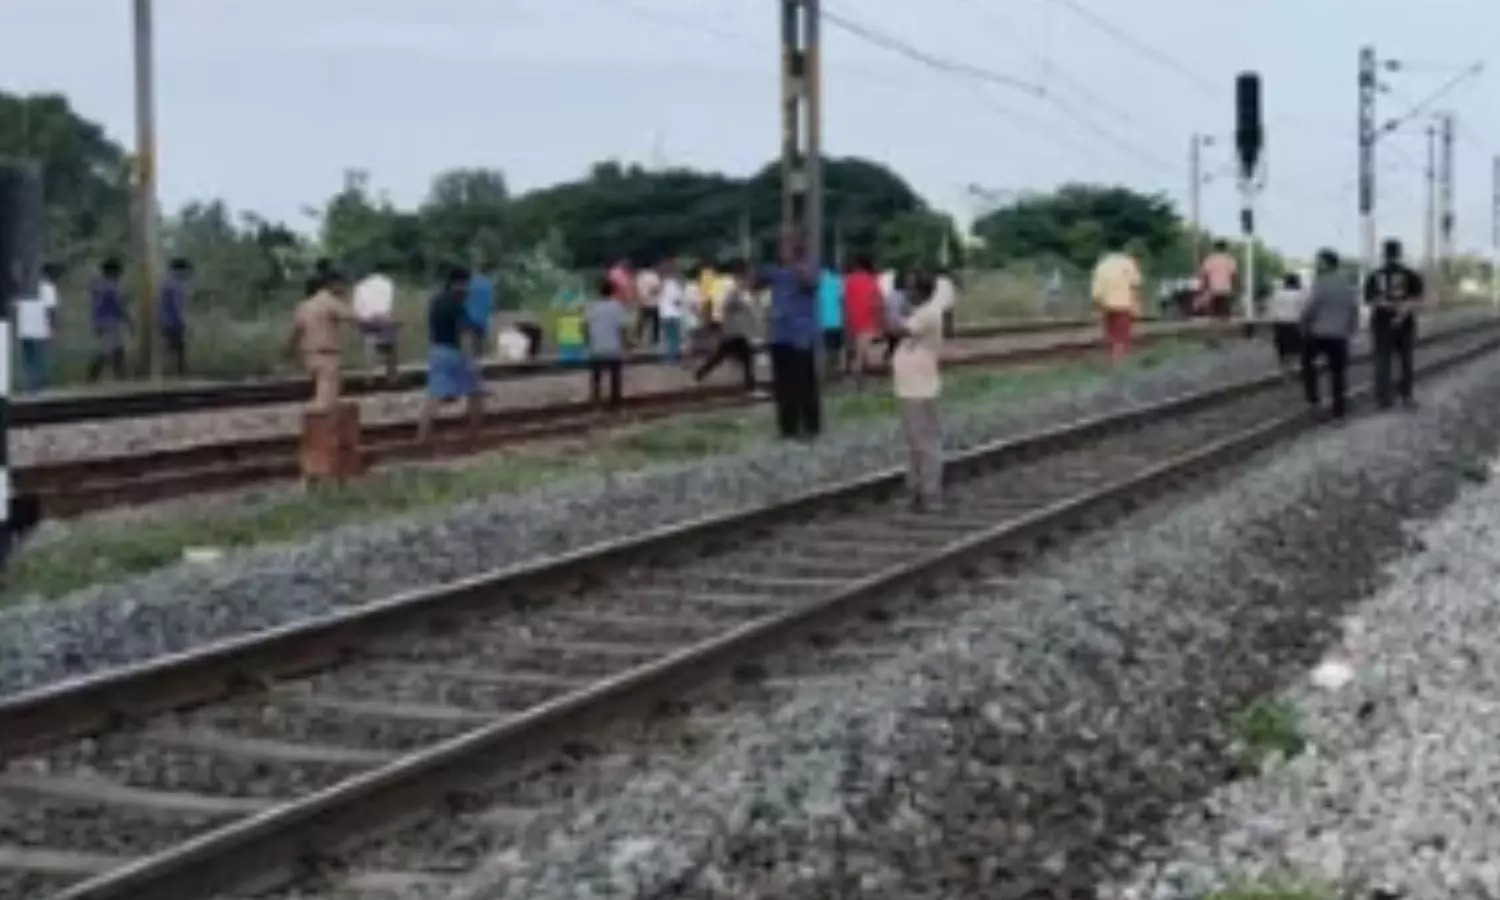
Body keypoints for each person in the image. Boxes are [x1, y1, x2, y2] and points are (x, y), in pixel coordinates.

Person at [891, 270, 951, 512]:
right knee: (916, 442)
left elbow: (899, 330)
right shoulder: (921, 313)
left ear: (920, 291)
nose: (906, 292)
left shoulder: (927, 314)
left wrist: (880, 310)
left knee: (924, 442)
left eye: (910, 288)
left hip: (919, 389)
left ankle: (930, 493)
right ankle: (918, 490)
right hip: (911, 388)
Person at [419, 265, 485, 443]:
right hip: (453, 353)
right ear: (458, 284)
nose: (468, 289)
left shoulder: (436, 301)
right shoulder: (457, 306)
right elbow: (465, 335)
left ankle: (422, 437)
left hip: (436, 351)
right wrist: (471, 362)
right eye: (466, 285)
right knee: (476, 392)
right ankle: (473, 436)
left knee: (434, 396)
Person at [766, 231, 822, 440]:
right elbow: (755, 281)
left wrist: (795, 264)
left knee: (803, 383)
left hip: (801, 334)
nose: (783, 249)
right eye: (782, 244)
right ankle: (787, 427)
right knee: (783, 385)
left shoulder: (809, 264)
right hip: (780, 334)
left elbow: (810, 283)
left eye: (788, 244)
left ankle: (809, 426)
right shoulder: (776, 270)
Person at [1299, 248, 1359, 421]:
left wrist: (1303, 323)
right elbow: (1353, 308)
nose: (1317, 264)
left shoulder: (1321, 282)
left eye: (1319, 261)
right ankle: (1339, 411)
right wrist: (1351, 328)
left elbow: (1312, 306)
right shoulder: (1347, 284)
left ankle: (1313, 400)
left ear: (1326, 264)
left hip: (1318, 333)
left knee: (1307, 364)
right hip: (1339, 335)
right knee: (1338, 373)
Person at [1364, 238, 1424, 409]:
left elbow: (1372, 300)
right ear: (1399, 254)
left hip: (1381, 324)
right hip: (1405, 325)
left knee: (1382, 361)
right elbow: (1417, 299)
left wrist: (1388, 307)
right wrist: (1401, 312)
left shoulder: (1375, 275)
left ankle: (1383, 400)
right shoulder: (1411, 275)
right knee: (1406, 361)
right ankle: (1406, 397)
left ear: (1384, 255)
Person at [287, 268, 358, 410]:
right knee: (326, 403)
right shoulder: (329, 300)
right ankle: (319, 429)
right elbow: (353, 318)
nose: (345, 288)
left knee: (322, 395)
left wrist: (289, 353)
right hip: (328, 355)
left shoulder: (303, 306)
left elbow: (295, 333)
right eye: (342, 284)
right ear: (332, 284)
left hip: (310, 356)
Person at [695, 260, 757, 392]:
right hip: (733, 328)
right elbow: (726, 303)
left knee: (724, 354)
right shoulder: (731, 286)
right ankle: (749, 383)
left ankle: (702, 372)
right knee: (743, 355)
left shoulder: (734, 285)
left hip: (734, 328)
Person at [1090, 245, 1143, 365]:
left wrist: (1096, 307)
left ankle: (1109, 359)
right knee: (1122, 335)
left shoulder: (1102, 265)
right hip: (1125, 304)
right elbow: (1135, 286)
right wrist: (1137, 304)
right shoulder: (1129, 263)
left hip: (1106, 305)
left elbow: (1096, 291)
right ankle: (1117, 362)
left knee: (1110, 333)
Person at [584, 274, 629, 409]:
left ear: (599, 292)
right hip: (613, 349)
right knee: (615, 376)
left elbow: (585, 326)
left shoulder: (592, 307)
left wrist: (588, 342)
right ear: (613, 291)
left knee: (596, 376)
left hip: (596, 348)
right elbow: (622, 328)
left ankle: (596, 399)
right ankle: (615, 401)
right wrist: (625, 344)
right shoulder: (617, 307)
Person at [16, 263, 60, 393]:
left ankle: (30, 385)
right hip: (39, 326)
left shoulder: (26, 287)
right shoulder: (48, 287)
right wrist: (53, 326)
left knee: (29, 358)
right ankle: (37, 386)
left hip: (25, 326)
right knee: (39, 358)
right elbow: (50, 309)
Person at [352, 267, 400, 382]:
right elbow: (390, 302)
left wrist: (360, 320)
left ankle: (369, 376)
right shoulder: (387, 283)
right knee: (390, 348)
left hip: (368, 320)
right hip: (384, 318)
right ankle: (391, 375)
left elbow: (357, 307)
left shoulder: (360, 286)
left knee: (369, 345)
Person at [841, 254, 881, 387]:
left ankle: (858, 379)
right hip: (867, 319)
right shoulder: (872, 280)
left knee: (857, 352)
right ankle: (858, 380)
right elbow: (877, 301)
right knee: (862, 353)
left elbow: (843, 301)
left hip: (852, 320)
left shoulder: (848, 280)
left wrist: (845, 319)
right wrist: (879, 320)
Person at [88, 257, 130, 382]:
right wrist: (129, 321)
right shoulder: (111, 286)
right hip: (110, 323)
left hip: (99, 322)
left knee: (117, 350)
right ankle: (93, 377)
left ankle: (120, 377)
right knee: (106, 352)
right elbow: (119, 306)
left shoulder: (97, 284)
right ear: (114, 272)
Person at [1266, 272, 1306, 374]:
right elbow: (1304, 310)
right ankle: (1294, 368)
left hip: (1280, 323)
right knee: (1295, 348)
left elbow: (1271, 308)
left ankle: (1283, 369)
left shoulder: (1277, 294)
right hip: (1295, 323)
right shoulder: (1300, 295)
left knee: (1282, 348)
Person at [158, 258, 191, 377]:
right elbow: (177, 307)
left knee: (169, 348)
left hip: (164, 322)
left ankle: (169, 373)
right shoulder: (176, 285)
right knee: (179, 350)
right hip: (173, 323)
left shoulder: (164, 283)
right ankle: (179, 375)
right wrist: (182, 322)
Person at [1197, 239, 1238, 319]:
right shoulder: (1230, 260)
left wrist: (1204, 287)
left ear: (1215, 248)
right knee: (1225, 313)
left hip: (1213, 290)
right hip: (1226, 290)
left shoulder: (1209, 260)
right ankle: (1225, 327)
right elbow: (1234, 275)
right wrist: (1235, 288)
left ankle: (1214, 328)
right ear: (1225, 248)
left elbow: (1205, 275)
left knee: (1213, 313)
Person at [817, 263, 844, 380]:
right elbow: (842, 300)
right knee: (835, 349)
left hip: (821, 321)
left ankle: (825, 373)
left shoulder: (817, 283)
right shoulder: (838, 282)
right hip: (836, 320)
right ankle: (834, 371)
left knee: (824, 348)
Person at [658, 260, 686, 362]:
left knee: (667, 337)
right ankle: (672, 357)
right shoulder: (676, 285)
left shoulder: (662, 285)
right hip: (674, 314)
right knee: (674, 338)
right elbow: (678, 300)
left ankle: (667, 356)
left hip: (664, 314)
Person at [881, 270, 911, 364]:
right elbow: (907, 311)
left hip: (888, 326)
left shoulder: (890, 295)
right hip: (899, 326)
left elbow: (886, 309)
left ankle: (889, 356)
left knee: (893, 344)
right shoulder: (904, 296)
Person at [465, 264, 495, 356]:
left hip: (471, 316)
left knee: (470, 342)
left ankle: (471, 359)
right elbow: (491, 302)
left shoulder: (470, 282)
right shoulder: (488, 283)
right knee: (480, 342)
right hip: (483, 318)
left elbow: (465, 299)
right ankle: (479, 358)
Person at [634, 263, 662, 346]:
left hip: (642, 302)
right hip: (653, 302)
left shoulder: (640, 276)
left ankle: (638, 339)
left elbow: (636, 288)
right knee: (655, 323)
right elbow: (657, 288)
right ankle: (655, 340)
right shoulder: (654, 276)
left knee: (642, 322)